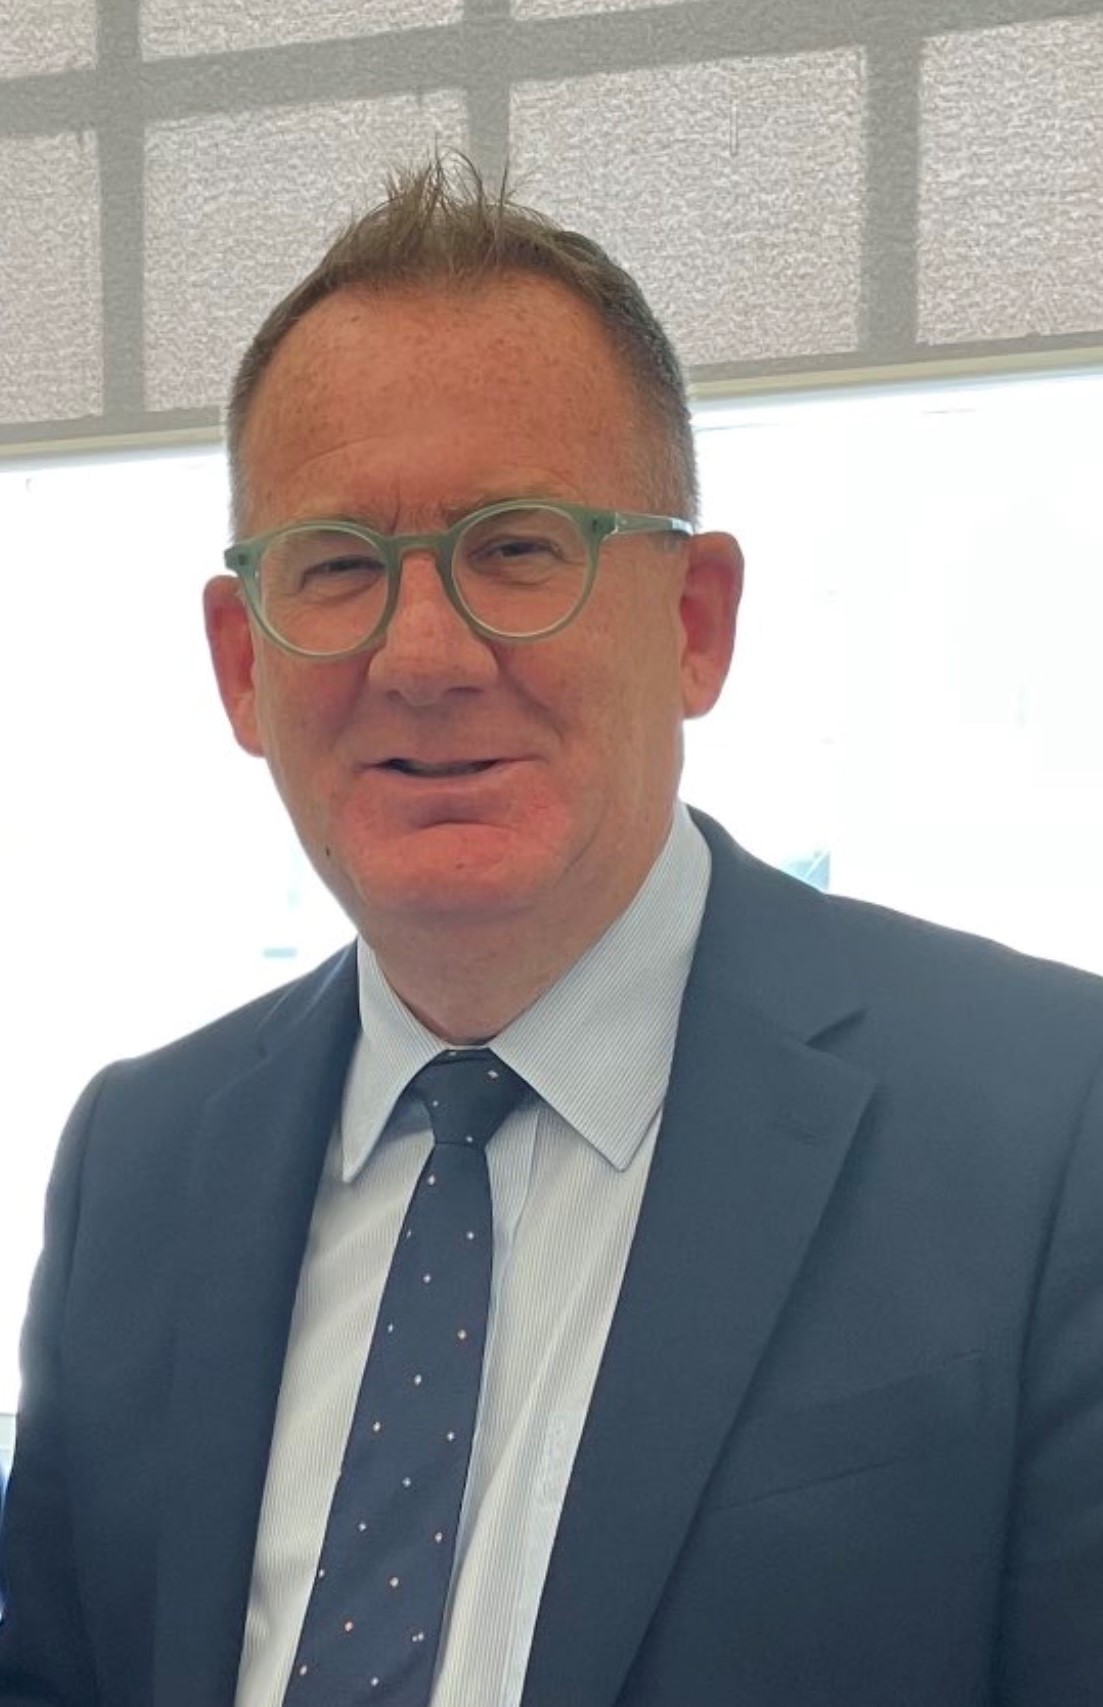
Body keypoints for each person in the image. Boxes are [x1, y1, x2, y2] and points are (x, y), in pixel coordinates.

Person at [1, 155, 1101, 1707]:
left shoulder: (1055, 1127)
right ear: (242, 664)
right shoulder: (137, 1162)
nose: (426, 654)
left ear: (696, 623)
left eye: (521, 548)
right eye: (338, 569)